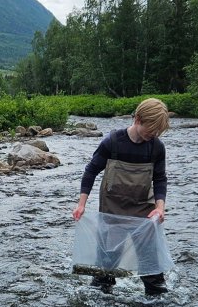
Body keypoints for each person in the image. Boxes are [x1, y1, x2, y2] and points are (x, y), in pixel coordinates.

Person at [72, 98, 170, 296]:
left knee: (152, 269)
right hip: (112, 210)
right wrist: (81, 204)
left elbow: (160, 179)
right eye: (151, 130)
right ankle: (100, 305)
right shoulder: (112, 142)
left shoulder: (156, 147)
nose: (154, 135)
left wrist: (160, 207)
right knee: (105, 269)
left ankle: (157, 304)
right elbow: (90, 171)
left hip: (144, 210)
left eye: (158, 132)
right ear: (138, 119)